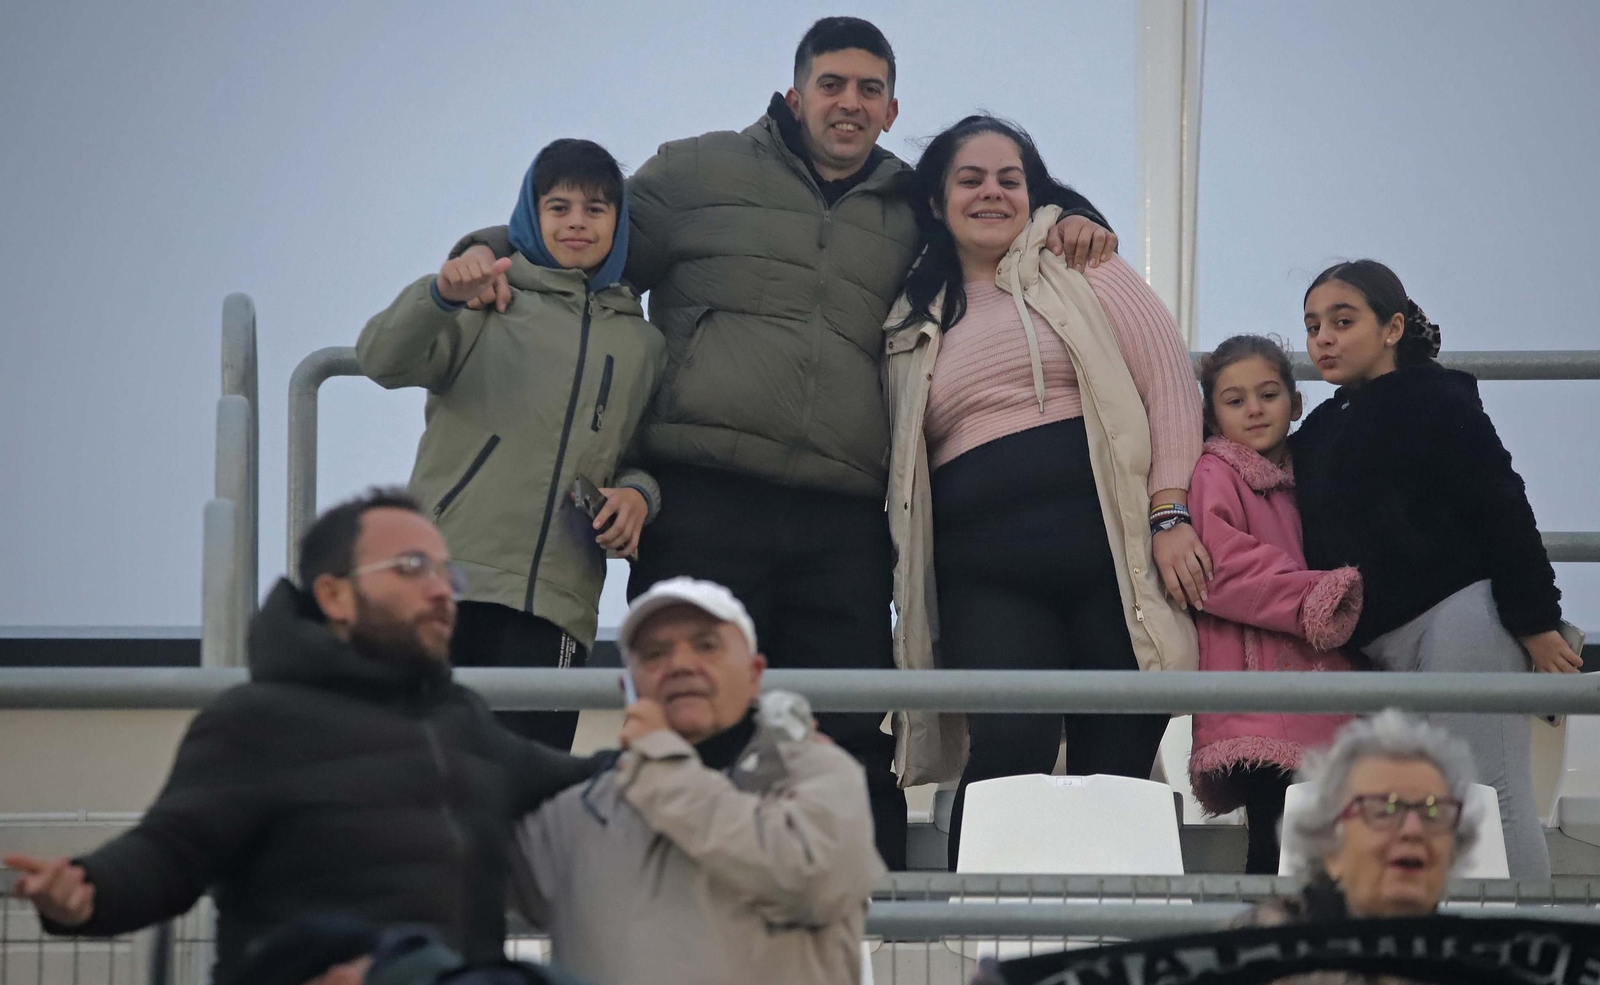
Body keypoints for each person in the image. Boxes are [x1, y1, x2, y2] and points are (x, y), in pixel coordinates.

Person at [446, 17, 1118, 869]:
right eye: (832, 84)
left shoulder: (912, 203)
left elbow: (996, 212)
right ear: (795, 93)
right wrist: (484, 249)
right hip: (701, 494)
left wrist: (1076, 218)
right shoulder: (697, 170)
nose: (849, 102)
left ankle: (861, 920)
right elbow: (586, 236)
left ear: (891, 105)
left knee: (840, 724)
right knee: (695, 714)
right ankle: (670, 909)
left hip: (841, 510)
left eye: (869, 89)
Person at [5, 489, 598, 985]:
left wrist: (668, 749)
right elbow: (171, 851)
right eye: (413, 568)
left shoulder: (463, 722)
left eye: (449, 573)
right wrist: (89, 890)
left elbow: (585, 781)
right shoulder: (256, 720)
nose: (442, 591)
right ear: (334, 595)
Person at [882, 115, 1205, 869]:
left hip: (1114, 560)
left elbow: (1170, 388)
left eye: (1009, 179)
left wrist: (1171, 509)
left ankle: (1115, 952)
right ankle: (972, 939)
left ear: (1035, 192)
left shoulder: (1086, 263)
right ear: (936, 201)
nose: (991, 192)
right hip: (986, 574)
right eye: (971, 179)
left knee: (1118, 757)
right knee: (1012, 746)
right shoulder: (905, 320)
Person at [357, 139, 665, 750]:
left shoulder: (643, 344)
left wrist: (638, 494)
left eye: (597, 209)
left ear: (619, 224)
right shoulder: (485, 301)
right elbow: (380, 360)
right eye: (559, 207)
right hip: (448, 577)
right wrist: (439, 294)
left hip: (558, 602)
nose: (577, 221)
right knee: (417, 771)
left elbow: (645, 453)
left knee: (524, 788)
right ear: (531, 214)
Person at [1292, 259, 1579, 881]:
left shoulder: (1433, 395)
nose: (1325, 339)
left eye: (1344, 321)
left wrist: (1536, 619)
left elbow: (1499, 501)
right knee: (1418, 812)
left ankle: (1523, 954)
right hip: (1377, 649)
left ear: (1393, 327)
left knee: (1484, 797)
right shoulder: (1316, 431)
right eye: (1314, 326)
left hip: (1459, 622)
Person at [510, 577, 884, 985]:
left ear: (754, 673)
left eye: (706, 645)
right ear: (627, 687)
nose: (681, 664)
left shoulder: (820, 775)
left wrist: (661, 765)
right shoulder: (576, 814)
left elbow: (812, 881)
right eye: (655, 654)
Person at [1186, 335, 1363, 874]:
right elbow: (1220, 565)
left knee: (1317, 825)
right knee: (1273, 824)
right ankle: (1261, 942)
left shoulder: (1304, 478)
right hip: (1255, 679)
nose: (1255, 409)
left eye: (1268, 394)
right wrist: (1319, 594)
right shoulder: (1215, 473)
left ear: (1295, 401)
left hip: (1310, 676)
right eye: (1235, 401)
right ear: (1213, 416)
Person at [1234, 710, 1481, 983]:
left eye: (1433, 812)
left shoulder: (1483, 965)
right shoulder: (1255, 956)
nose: (1413, 830)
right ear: (1330, 846)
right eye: (1385, 809)